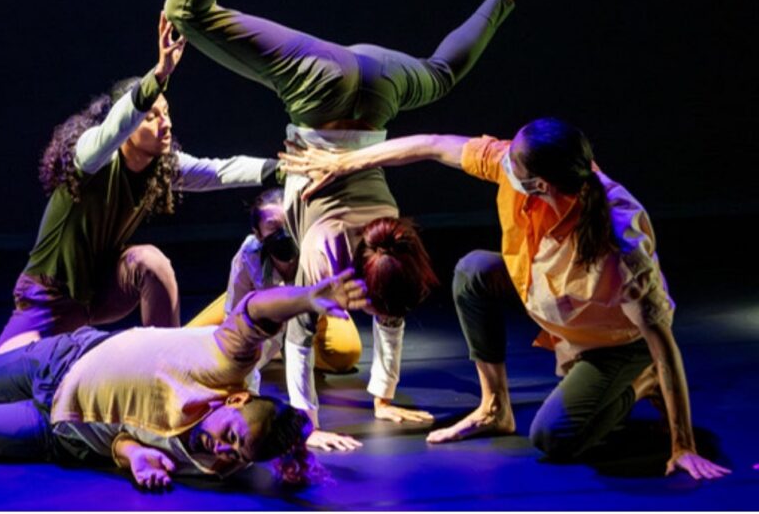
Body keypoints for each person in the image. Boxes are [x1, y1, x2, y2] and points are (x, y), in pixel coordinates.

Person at [163, 0, 556, 449]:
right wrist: (305, 426)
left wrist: (381, 399)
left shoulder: (396, 244)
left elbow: (387, 315)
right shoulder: (327, 261)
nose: (381, 317)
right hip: (320, 90)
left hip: (380, 88)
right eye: (376, 308)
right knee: (187, 16)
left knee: (443, 72)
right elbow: (296, 335)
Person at [280, 117, 732, 480]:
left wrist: (682, 445)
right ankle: (494, 406)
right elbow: (432, 144)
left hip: (614, 342)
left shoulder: (620, 242)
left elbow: (662, 339)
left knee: (555, 439)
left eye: (513, 163)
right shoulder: (518, 168)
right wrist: (346, 163)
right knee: (474, 271)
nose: (501, 160)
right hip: (549, 298)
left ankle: (639, 385)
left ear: (541, 184)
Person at [0, 270, 372, 490]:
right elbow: (255, 310)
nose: (222, 449)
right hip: (63, 360)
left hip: (55, 426)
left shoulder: (197, 466)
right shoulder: (226, 364)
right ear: (237, 400)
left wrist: (132, 458)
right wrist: (307, 299)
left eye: (234, 456)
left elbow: (115, 441)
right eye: (231, 434)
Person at [0, 13, 280, 355]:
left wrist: (283, 169)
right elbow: (115, 125)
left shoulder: (160, 168)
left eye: (167, 113)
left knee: (150, 262)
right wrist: (160, 74)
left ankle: (165, 369)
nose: (165, 123)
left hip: (98, 294)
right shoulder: (91, 158)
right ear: (128, 127)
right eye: (151, 116)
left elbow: (222, 171)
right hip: (47, 298)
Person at [186, 188, 364, 389]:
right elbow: (233, 314)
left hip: (318, 309)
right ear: (258, 233)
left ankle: (278, 348)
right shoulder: (249, 253)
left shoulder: (315, 246)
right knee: (190, 340)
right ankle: (274, 346)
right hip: (257, 302)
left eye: (289, 223)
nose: (284, 233)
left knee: (344, 354)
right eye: (273, 226)